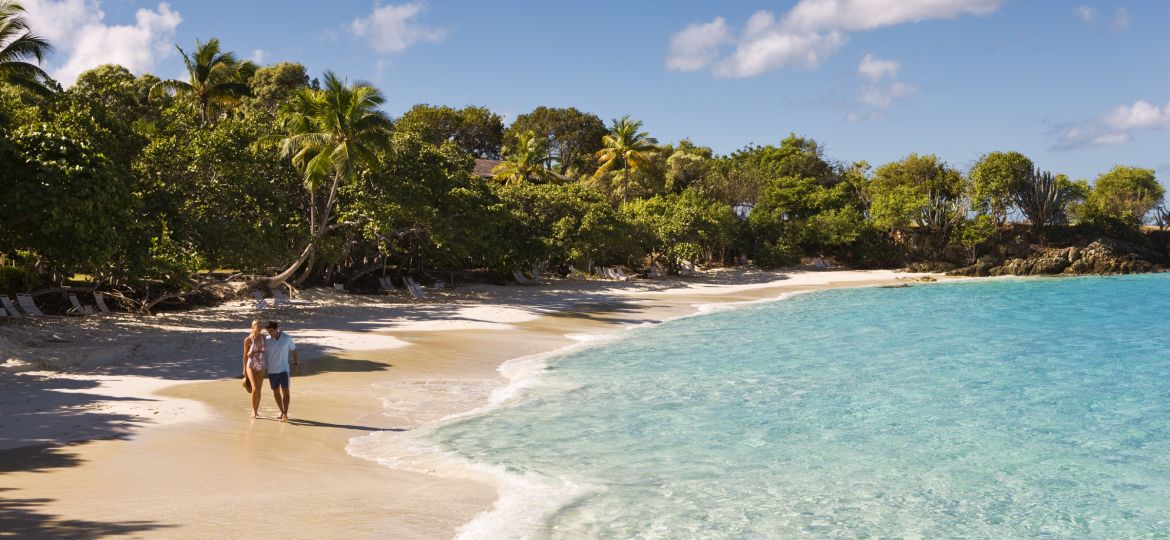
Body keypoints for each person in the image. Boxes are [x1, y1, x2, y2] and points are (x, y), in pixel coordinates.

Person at [263, 320, 298, 422]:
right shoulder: (267, 339)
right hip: (272, 370)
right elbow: (259, 349)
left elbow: (294, 350)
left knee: (285, 391)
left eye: (271, 331)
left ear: (277, 329)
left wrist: (295, 365)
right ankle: (282, 411)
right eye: (268, 331)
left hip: (284, 370)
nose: (270, 333)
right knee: (276, 392)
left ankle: (285, 413)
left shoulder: (287, 338)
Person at [242, 319, 267, 418]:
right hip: (251, 364)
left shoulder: (264, 338)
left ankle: (256, 410)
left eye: (260, 324)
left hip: (261, 364)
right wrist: (244, 369)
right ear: (253, 327)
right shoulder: (248, 340)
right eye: (257, 324)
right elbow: (244, 355)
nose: (259, 326)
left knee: (259, 389)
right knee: (255, 388)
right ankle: (253, 410)